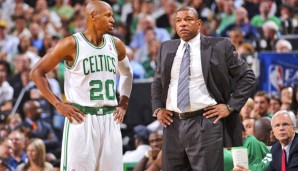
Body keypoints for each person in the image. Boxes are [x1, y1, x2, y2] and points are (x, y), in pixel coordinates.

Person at [29, 1, 133, 171]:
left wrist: (124, 103)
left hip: (110, 119)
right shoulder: (71, 44)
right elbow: (36, 72)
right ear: (92, 16)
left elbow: (127, 73)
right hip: (81, 119)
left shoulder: (116, 44)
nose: (113, 20)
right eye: (108, 15)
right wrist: (58, 104)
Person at [151, 6, 256, 171]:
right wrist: (157, 108)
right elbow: (157, 81)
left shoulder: (220, 45)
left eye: (188, 19)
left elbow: (247, 77)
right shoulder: (166, 47)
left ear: (199, 23)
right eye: (178, 21)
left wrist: (231, 106)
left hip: (205, 121)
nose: (183, 24)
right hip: (172, 124)